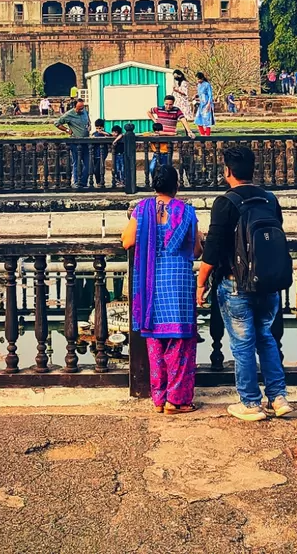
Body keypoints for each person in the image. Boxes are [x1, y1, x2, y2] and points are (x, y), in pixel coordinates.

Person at [197, 144, 288, 421]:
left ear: (228, 172)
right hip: (268, 282)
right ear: (252, 169)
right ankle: (278, 397)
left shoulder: (226, 202)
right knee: (266, 338)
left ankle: (250, 402)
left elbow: (212, 249)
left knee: (243, 343)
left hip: (235, 283)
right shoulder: (269, 199)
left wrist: (201, 284)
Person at [123, 164, 201, 414]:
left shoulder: (142, 209)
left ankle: (158, 399)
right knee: (179, 342)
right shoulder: (187, 212)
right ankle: (176, 400)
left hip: (150, 282)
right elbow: (197, 250)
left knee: (155, 341)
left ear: (154, 185)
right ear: (176, 186)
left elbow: (127, 240)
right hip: (178, 283)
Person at [55, 99, 91, 189]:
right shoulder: (69, 114)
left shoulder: (85, 112)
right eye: (79, 108)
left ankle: (83, 182)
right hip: (75, 142)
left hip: (86, 141)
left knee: (89, 163)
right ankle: (76, 182)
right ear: (75, 107)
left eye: (82, 108)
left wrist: (89, 126)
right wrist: (67, 130)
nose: (81, 110)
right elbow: (57, 123)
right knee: (77, 162)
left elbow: (88, 120)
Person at [171, 71, 195, 136]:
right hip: (177, 102)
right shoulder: (177, 83)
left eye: (176, 76)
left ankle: (188, 132)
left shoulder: (184, 83)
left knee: (183, 118)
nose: (175, 77)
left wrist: (177, 90)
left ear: (180, 75)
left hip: (182, 103)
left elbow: (185, 93)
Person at [194, 71, 215, 137]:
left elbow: (210, 95)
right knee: (198, 119)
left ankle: (207, 135)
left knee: (207, 119)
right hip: (201, 104)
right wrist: (196, 96)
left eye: (199, 79)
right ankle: (202, 133)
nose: (198, 80)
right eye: (197, 79)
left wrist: (209, 104)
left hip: (207, 104)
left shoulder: (207, 85)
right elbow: (200, 94)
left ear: (202, 78)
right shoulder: (199, 85)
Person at [91, 118, 109, 187]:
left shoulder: (105, 134)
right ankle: (98, 181)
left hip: (103, 153)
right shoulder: (94, 134)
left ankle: (101, 181)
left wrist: (103, 132)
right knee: (96, 168)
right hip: (95, 153)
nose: (98, 129)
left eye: (100, 127)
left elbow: (110, 136)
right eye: (97, 128)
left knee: (100, 167)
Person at [110, 125, 127, 189]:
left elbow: (121, 135)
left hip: (121, 154)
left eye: (115, 132)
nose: (113, 134)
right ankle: (118, 180)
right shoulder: (112, 136)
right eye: (113, 132)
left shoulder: (121, 137)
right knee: (116, 168)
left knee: (122, 168)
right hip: (116, 155)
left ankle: (122, 181)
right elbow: (107, 134)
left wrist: (115, 141)